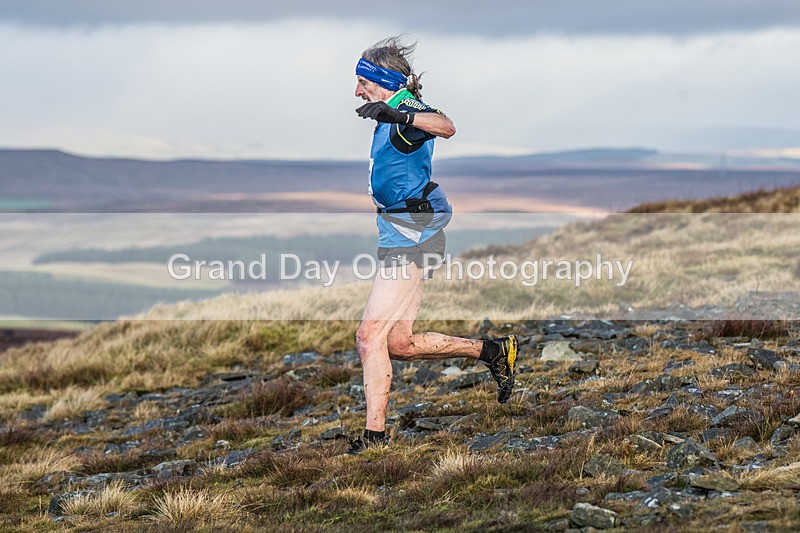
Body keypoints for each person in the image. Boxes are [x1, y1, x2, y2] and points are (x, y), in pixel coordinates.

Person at [347, 36, 519, 454]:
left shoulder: (405, 112)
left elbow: (446, 126)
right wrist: (390, 113)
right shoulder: (392, 114)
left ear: (381, 80)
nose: (356, 92)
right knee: (399, 343)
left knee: (369, 336)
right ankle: (493, 351)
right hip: (402, 226)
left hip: (412, 228)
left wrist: (398, 113)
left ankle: (374, 439)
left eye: (361, 82)